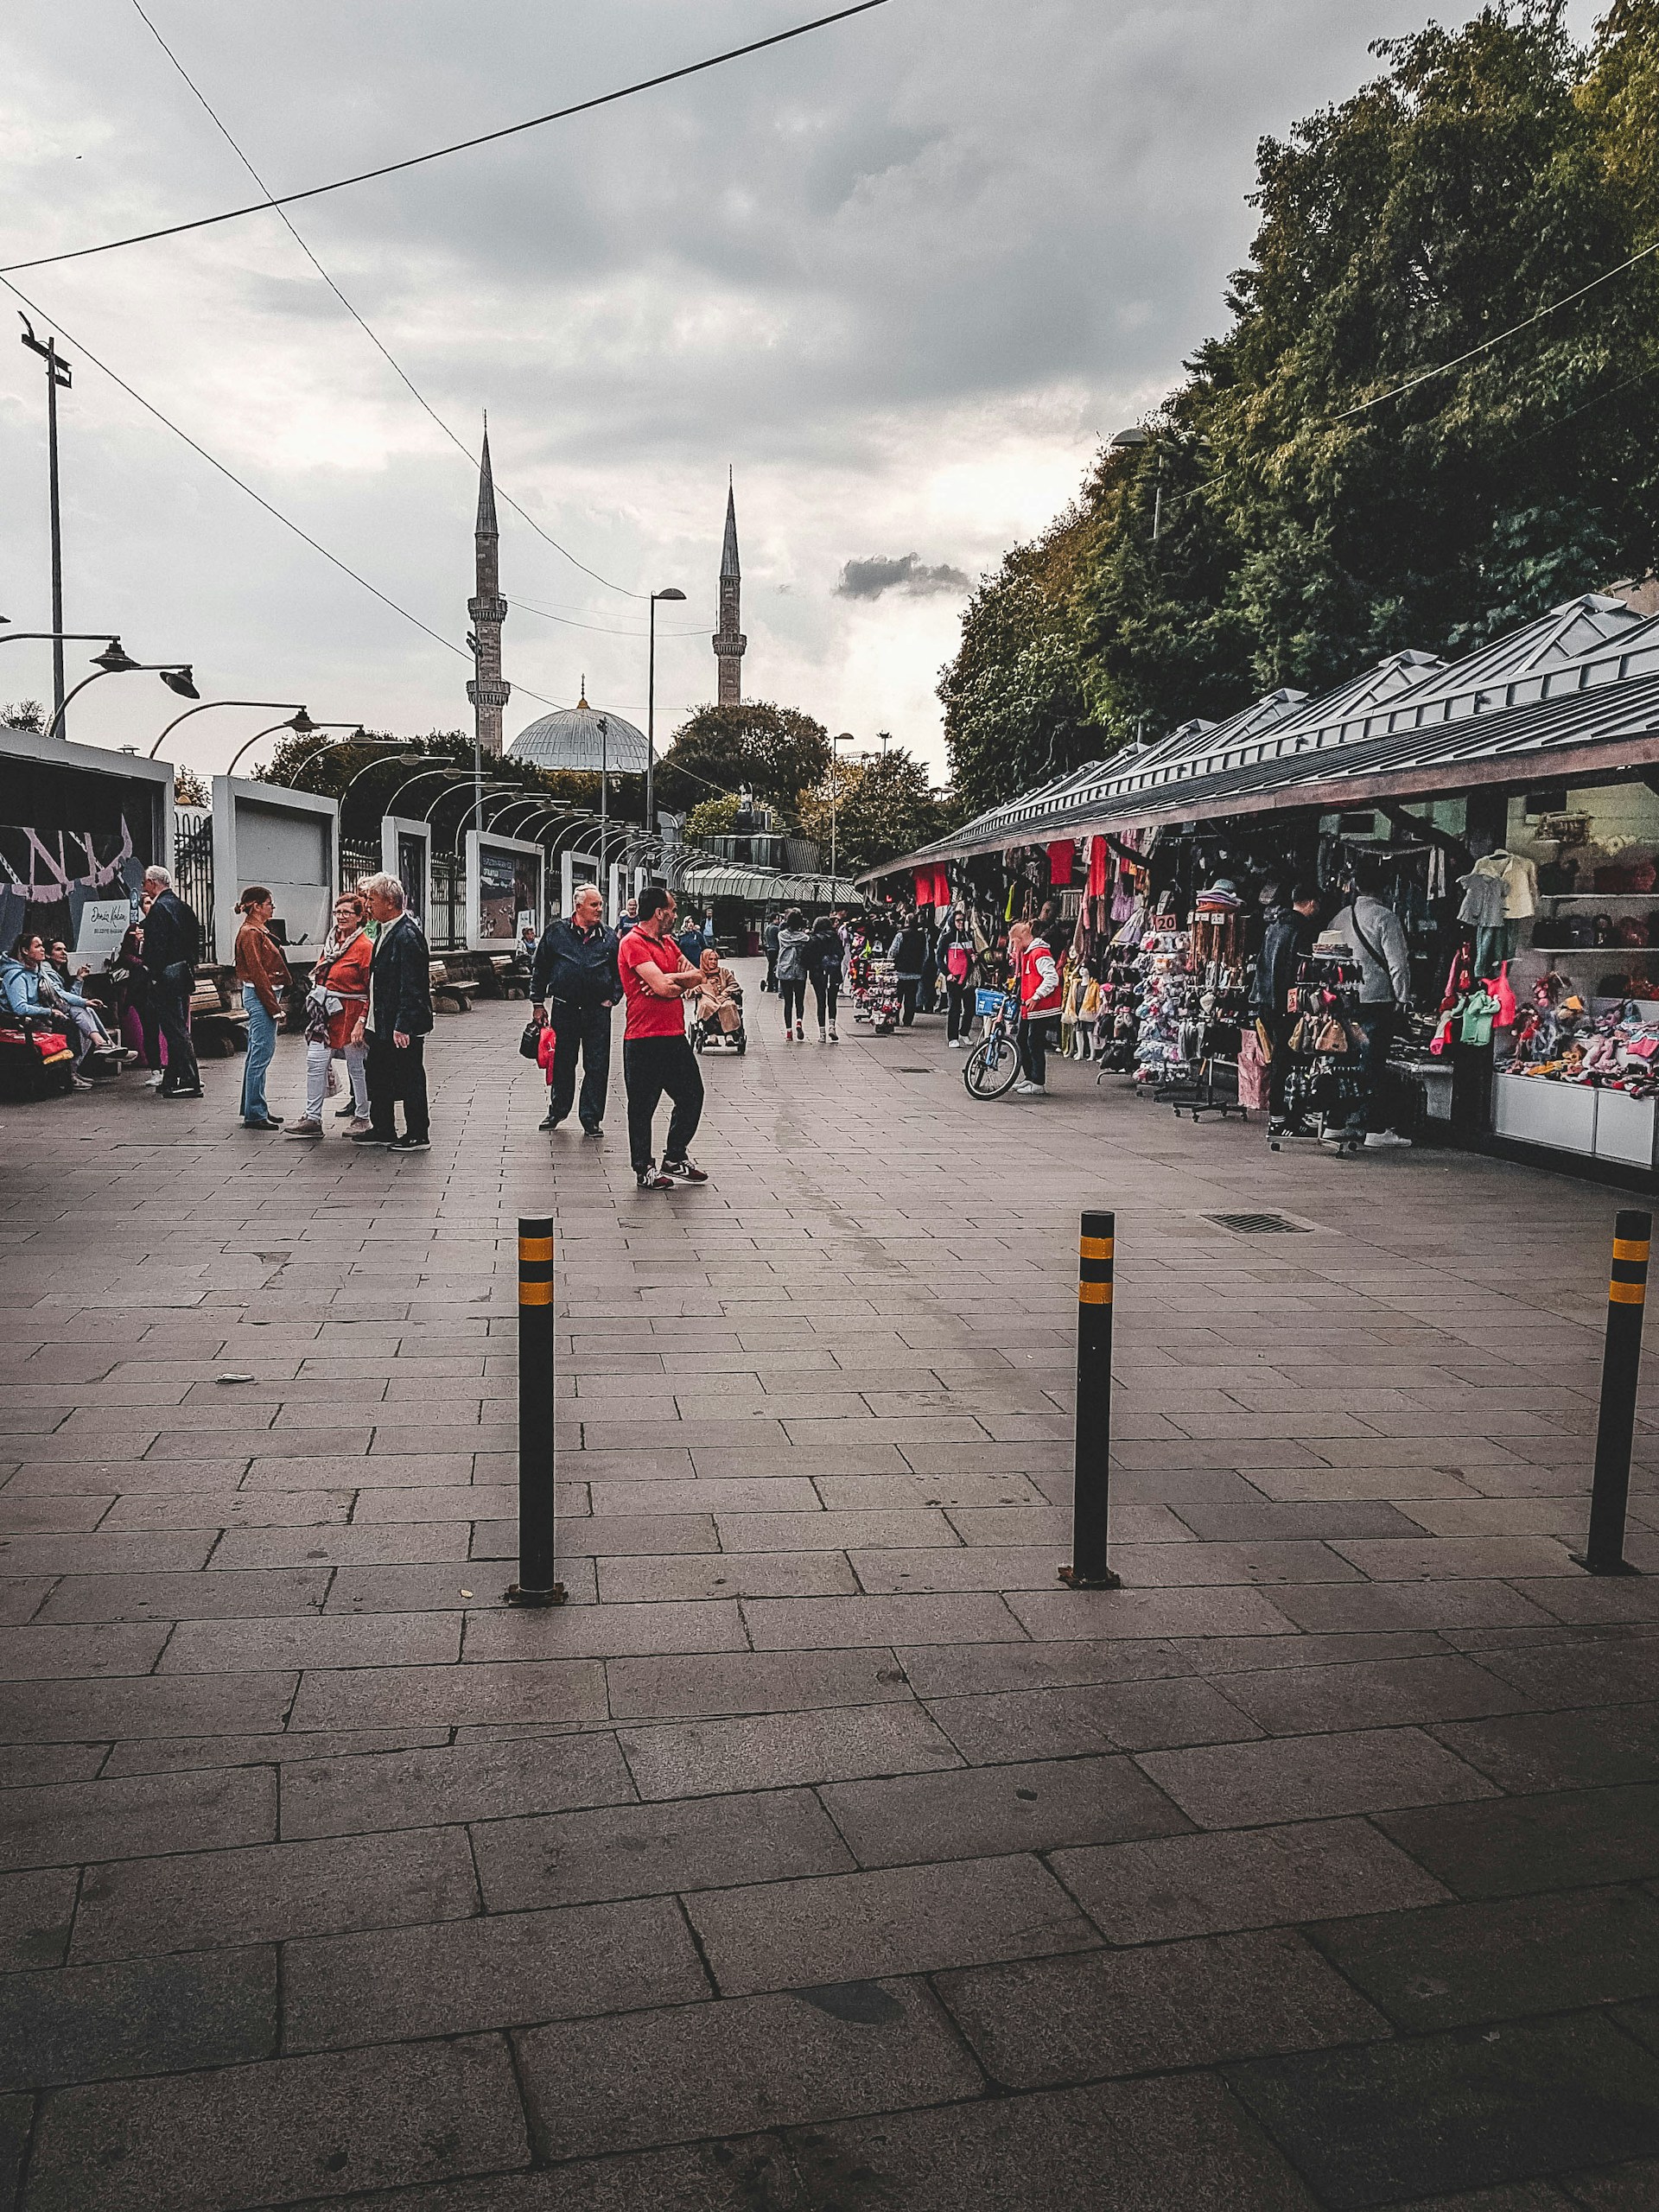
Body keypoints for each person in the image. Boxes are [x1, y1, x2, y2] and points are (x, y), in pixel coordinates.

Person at [617, 886, 708, 1192]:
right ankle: (643, 1167)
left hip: (674, 1036)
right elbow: (666, 988)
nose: (676, 914)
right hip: (643, 1038)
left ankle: (675, 1156)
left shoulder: (669, 944)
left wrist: (669, 979)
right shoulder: (633, 943)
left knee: (692, 1095)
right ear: (659, 912)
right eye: (672, 909)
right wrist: (669, 982)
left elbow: (697, 976)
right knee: (642, 1106)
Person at [1328, 870, 1414, 1150]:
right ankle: (1374, 1128)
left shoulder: (1340, 917)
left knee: (1343, 1060)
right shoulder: (1385, 917)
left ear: (1356, 887)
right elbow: (1397, 964)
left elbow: (1329, 955)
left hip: (1343, 1003)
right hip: (1375, 1002)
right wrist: (1402, 998)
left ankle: (1336, 1122)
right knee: (1373, 1063)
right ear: (1385, 890)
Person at [531, 883, 620, 1136]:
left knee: (597, 1064)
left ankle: (591, 1117)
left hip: (597, 1011)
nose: (599, 909)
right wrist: (538, 1003)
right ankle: (557, 1110)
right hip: (565, 1009)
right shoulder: (556, 933)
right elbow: (541, 968)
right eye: (594, 905)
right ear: (578, 906)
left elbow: (619, 972)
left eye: (601, 904)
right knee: (562, 1062)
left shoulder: (609, 937)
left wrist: (612, 998)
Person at [354, 873, 433, 1150]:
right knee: (379, 1074)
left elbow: (413, 985)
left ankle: (417, 1133)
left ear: (390, 902)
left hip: (400, 1024)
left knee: (409, 1075)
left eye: (372, 899)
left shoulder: (407, 935)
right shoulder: (386, 930)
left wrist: (404, 1025)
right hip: (382, 1020)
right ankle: (383, 1127)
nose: (367, 905)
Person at [284, 893, 373, 1136]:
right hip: (324, 1016)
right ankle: (312, 1118)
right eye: (338, 912)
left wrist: (362, 1020)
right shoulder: (331, 943)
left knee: (357, 1067)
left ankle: (362, 1117)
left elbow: (370, 988)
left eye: (347, 913)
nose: (341, 917)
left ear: (359, 917)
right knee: (315, 1062)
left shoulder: (365, 947)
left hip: (350, 1015)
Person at [1253, 883, 1322, 1128]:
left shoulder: (1275, 926)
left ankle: (1280, 1114)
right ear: (1312, 903)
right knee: (1291, 1057)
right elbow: (1297, 972)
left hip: (1268, 1001)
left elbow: (1264, 964)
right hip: (1287, 1004)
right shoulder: (1300, 930)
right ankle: (1284, 1115)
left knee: (1280, 1058)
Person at [139, 865, 203, 1098]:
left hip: (165, 977)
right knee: (177, 1027)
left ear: (153, 883)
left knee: (175, 1030)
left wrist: (153, 974)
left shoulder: (159, 909)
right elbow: (196, 941)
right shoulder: (184, 907)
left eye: (146, 883)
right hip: (182, 973)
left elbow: (156, 948)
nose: (144, 887)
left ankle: (189, 1079)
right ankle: (172, 1078)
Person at [233, 887, 290, 1131]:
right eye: (269, 903)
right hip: (260, 996)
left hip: (260, 995)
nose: (272, 908)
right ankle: (255, 1113)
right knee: (261, 1054)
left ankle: (255, 1107)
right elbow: (257, 972)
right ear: (256, 906)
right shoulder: (250, 932)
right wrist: (274, 1007)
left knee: (257, 1053)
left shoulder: (256, 930)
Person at [1008, 917, 1062, 1096]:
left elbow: (1052, 978)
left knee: (1034, 1041)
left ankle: (1038, 1081)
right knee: (1022, 1039)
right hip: (1029, 1006)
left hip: (1041, 1006)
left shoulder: (1039, 953)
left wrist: (1037, 996)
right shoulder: (1028, 954)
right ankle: (1029, 1077)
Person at [940, 906, 978, 1047]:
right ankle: (952, 1037)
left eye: (963, 920)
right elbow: (939, 958)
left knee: (970, 1008)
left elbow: (973, 951)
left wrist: (975, 957)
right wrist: (947, 974)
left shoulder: (969, 936)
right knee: (954, 1008)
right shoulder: (947, 938)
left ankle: (964, 1032)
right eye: (958, 920)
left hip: (968, 978)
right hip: (954, 977)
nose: (961, 923)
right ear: (952, 922)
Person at [805, 913, 844, 1042]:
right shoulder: (835, 937)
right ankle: (832, 1027)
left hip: (818, 974)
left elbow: (808, 957)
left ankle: (822, 1034)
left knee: (821, 1002)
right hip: (833, 973)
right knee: (832, 1001)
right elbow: (841, 953)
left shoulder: (813, 939)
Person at [692, 945, 742, 1044]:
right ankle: (712, 1034)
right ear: (705, 960)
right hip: (708, 998)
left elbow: (734, 984)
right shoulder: (698, 975)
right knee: (706, 1006)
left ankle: (729, 1034)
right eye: (710, 959)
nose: (713, 962)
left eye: (715, 959)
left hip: (723, 997)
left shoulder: (724, 972)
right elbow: (689, 990)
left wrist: (726, 992)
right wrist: (696, 990)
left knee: (729, 1005)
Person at [775, 908, 811, 1042]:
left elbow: (788, 943)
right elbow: (807, 940)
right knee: (799, 1000)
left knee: (788, 1002)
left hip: (785, 970)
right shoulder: (804, 937)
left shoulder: (782, 935)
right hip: (800, 970)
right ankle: (799, 1021)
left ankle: (788, 1031)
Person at [888, 911, 927, 1027]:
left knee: (897, 997)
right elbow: (926, 954)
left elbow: (893, 952)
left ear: (906, 922)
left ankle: (895, 1018)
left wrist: (890, 964)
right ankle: (908, 1020)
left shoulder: (901, 934)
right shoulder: (922, 936)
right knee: (911, 998)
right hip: (915, 973)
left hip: (899, 972)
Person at [762, 912, 781, 995]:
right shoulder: (776, 929)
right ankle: (774, 984)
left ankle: (769, 984)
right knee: (775, 967)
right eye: (777, 919)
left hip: (769, 949)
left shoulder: (767, 928)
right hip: (775, 949)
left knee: (770, 967)